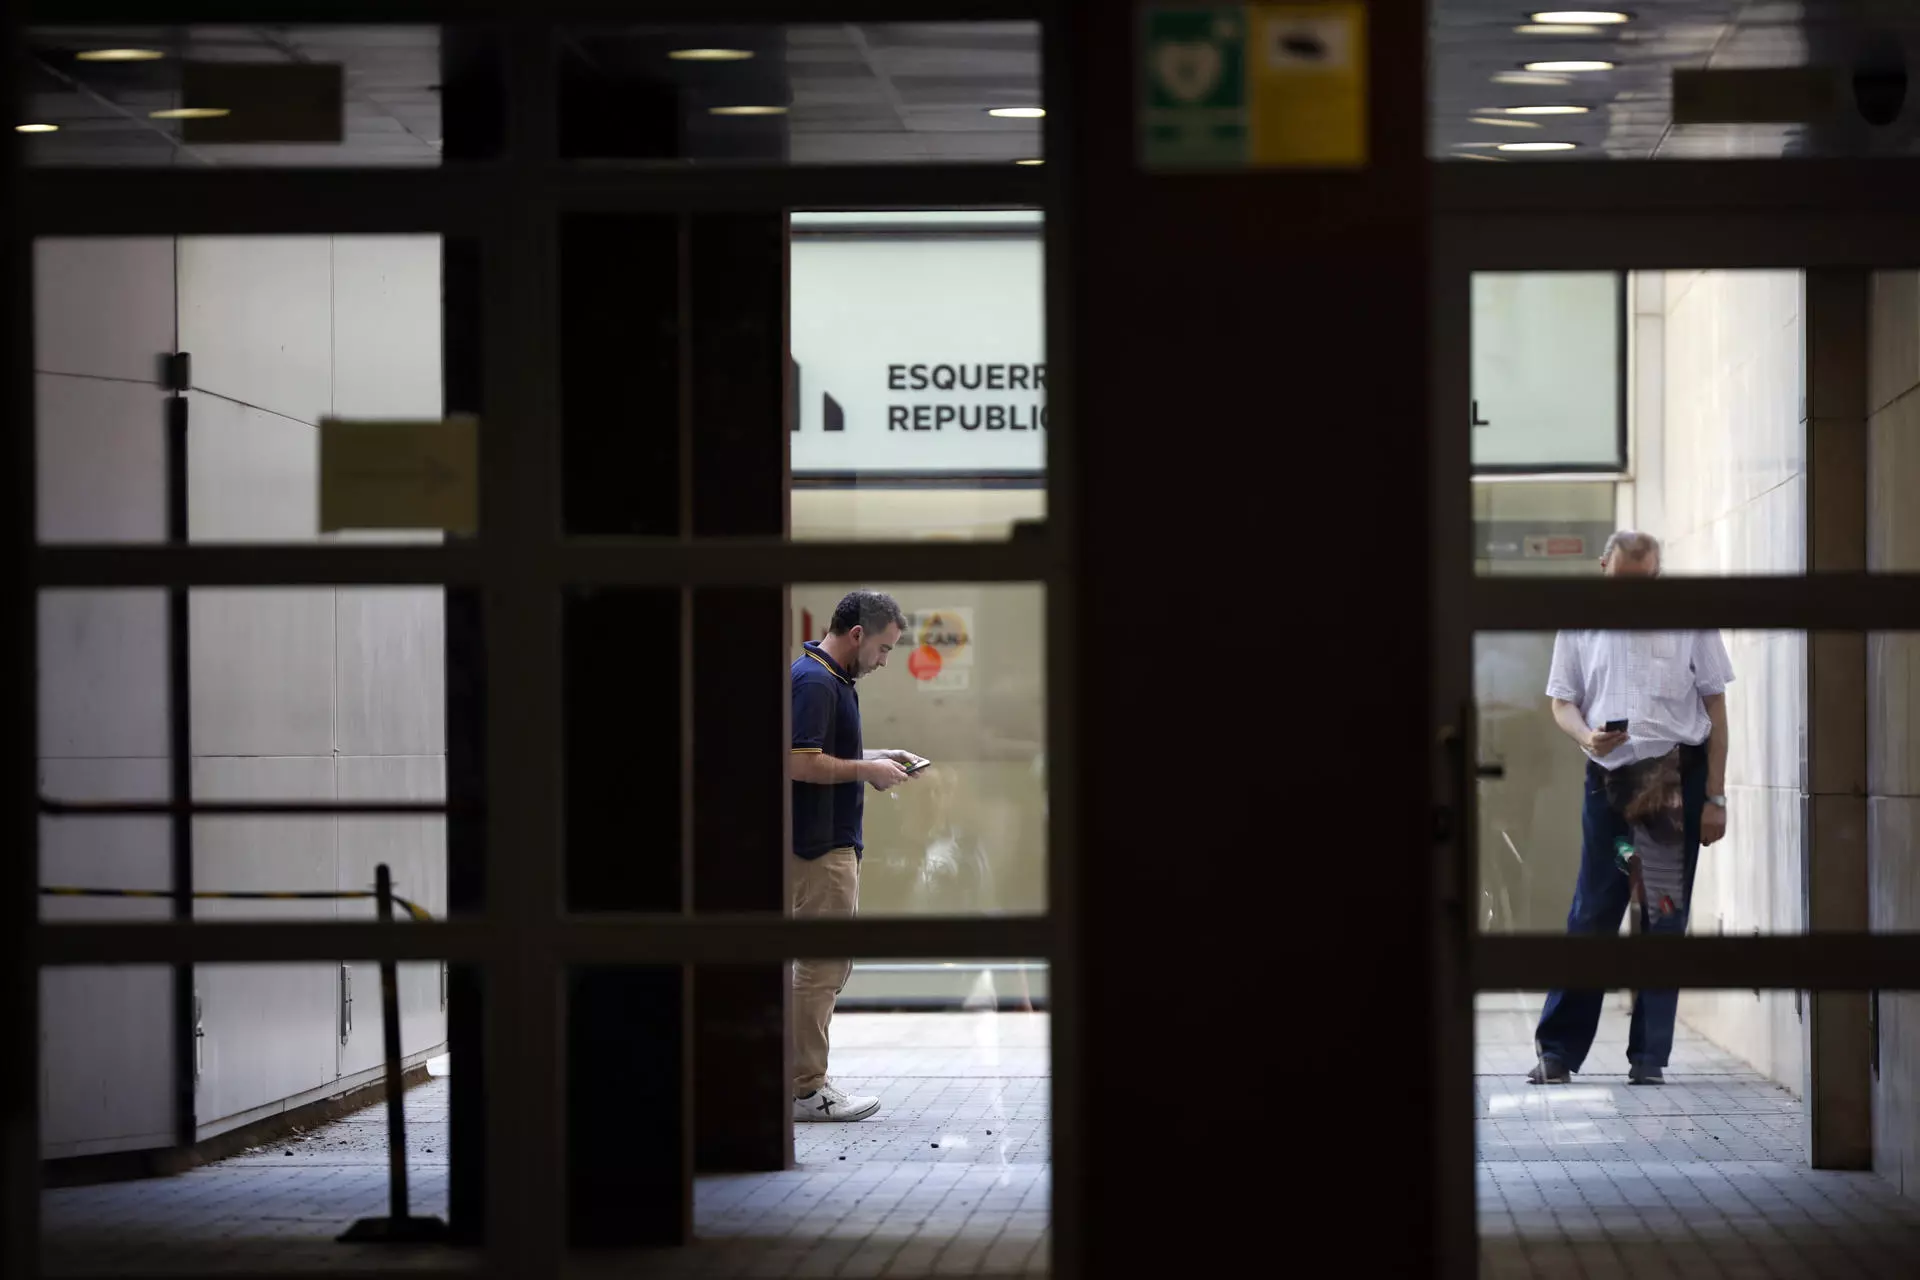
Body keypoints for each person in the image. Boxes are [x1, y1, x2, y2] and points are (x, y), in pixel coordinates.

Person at [1528, 531, 1734, 1087]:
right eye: (1623, 581)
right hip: (1610, 779)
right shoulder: (1579, 619)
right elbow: (1561, 700)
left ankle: (1648, 1059)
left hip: (1674, 775)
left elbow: (1715, 706)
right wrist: (1585, 736)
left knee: (1663, 916)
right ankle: (1558, 1051)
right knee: (1593, 912)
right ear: (1604, 568)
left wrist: (1715, 797)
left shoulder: (1689, 616)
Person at [789, 589, 925, 1122]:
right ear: (857, 636)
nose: (885, 660)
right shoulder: (817, 681)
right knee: (821, 969)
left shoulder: (825, 677)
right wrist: (867, 771)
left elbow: (820, 754)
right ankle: (805, 1089)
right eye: (885, 649)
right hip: (819, 847)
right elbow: (799, 763)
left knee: (821, 967)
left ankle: (802, 1083)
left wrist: (878, 757)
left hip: (827, 840)